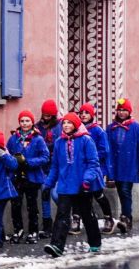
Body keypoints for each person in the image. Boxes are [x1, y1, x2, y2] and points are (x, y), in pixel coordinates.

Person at [43, 113, 103, 257]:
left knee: (87, 215)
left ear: (75, 125)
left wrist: (87, 180)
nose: (66, 126)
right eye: (64, 123)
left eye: (70, 123)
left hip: (82, 185)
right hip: (65, 185)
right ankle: (57, 245)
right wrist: (48, 185)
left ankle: (95, 242)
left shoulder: (86, 140)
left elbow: (93, 163)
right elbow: (55, 167)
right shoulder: (59, 142)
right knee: (62, 215)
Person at [106, 97, 139, 233]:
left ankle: (126, 218)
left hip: (130, 166)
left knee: (125, 191)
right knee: (120, 191)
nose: (122, 113)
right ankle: (125, 216)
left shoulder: (136, 127)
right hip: (116, 165)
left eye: (125, 110)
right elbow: (107, 148)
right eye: (120, 110)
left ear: (129, 112)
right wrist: (108, 167)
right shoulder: (110, 128)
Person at [7, 110, 49, 244]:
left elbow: (45, 157)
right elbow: (7, 154)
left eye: (27, 121)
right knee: (16, 204)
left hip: (32, 177)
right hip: (17, 177)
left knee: (32, 205)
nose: (25, 124)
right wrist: (14, 162)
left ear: (32, 122)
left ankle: (33, 231)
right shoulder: (14, 138)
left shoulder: (38, 138)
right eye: (22, 121)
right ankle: (18, 230)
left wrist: (29, 162)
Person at [78, 103, 116, 234]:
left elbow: (104, 150)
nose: (83, 115)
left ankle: (108, 218)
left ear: (92, 115)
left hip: (96, 168)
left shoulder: (98, 131)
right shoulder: (77, 130)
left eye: (86, 113)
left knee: (98, 194)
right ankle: (78, 219)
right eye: (81, 112)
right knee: (80, 194)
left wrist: (90, 158)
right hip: (81, 169)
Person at [35, 99, 62, 238]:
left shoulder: (61, 126)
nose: (45, 117)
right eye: (44, 114)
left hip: (57, 166)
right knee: (45, 194)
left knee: (56, 194)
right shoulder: (37, 127)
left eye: (48, 115)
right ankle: (47, 225)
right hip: (42, 166)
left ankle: (65, 216)